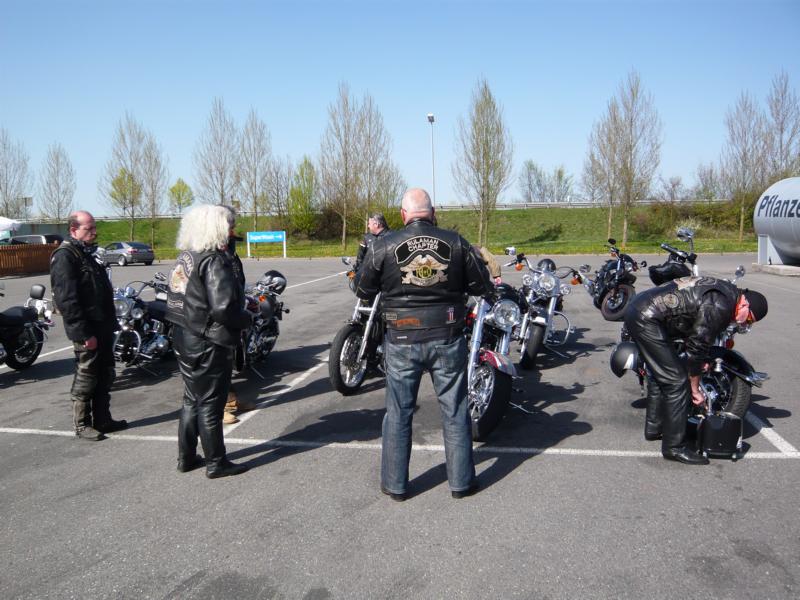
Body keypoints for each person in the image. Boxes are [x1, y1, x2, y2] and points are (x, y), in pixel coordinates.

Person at [355, 188, 494, 500]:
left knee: (398, 413)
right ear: (433, 213)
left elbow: (362, 289)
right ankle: (461, 483)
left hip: (402, 338)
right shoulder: (456, 242)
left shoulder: (384, 244)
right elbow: (482, 285)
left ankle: (396, 486)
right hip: (446, 336)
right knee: (455, 410)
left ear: (403, 215)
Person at [624, 276, 768, 465]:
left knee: (662, 376)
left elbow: (697, 328)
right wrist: (695, 389)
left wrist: (704, 359)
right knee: (677, 382)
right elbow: (696, 348)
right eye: (748, 319)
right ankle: (674, 448)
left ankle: (655, 428)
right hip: (648, 318)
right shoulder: (721, 305)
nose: (744, 324)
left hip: (644, 310)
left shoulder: (726, 292)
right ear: (744, 304)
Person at [165, 204, 253, 478]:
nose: (233, 231)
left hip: (184, 335)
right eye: (229, 226)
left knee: (192, 399)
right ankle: (216, 463)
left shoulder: (187, 256)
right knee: (211, 404)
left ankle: (187, 457)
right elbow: (223, 309)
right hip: (207, 340)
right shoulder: (213, 260)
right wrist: (248, 317)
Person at [50, 211, 127, 441]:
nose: (94, 232)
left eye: (94, 228)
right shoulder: (65, 255)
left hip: (102, 325)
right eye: (89, 228)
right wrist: (83, 333)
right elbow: (66, 299)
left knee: (105, 373)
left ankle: (103, 419)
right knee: (87, 374)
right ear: (73, 230)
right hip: (87, 328)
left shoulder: (86, 253)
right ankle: (82, 424)